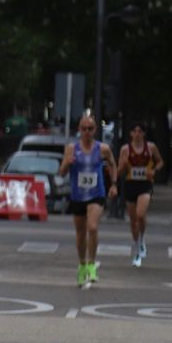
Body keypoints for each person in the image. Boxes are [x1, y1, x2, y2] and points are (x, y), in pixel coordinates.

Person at [58, 115, 116, 288]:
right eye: (84, 128)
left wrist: (114, 184)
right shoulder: (71, 149)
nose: (87, 132)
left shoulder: (103, 148)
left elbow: (112, 164)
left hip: (96, 194)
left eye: (90, 128)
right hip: (78, 195)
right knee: (81, 233)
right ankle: (82, 264)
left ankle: (91, 264)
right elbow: (61, 173)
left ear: (95, 130)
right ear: (79, 130)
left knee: (92, 227)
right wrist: (67, 163)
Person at [116, 121, 165, 268]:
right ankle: (137, 249)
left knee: (140, 214)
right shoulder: (125, 149)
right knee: (133, 221)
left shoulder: (150, 147)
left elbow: (160, 162)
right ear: (131, 133)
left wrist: (154, 171)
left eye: (140, 131)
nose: (137, 134)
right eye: (135, 131)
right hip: (130, 184)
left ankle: (142, 238)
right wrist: (124, 164)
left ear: (144, 133)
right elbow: (119, 171)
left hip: (145, 184)